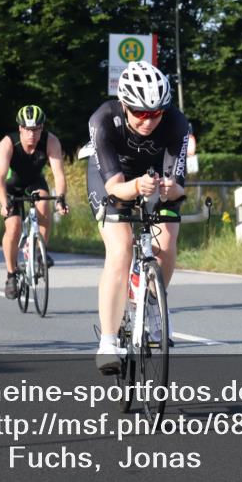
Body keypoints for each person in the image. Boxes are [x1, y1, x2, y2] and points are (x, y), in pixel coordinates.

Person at [85, 61, 189, 373]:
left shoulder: (176, 122)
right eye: (140, 112)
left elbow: (179, 186)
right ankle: (108, 340)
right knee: (120, 248)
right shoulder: (103, 119)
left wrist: (170, 189)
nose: (148, 120)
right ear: (125, 105)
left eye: (155, 113)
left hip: (154, 177)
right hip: (113, 178)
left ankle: (155, 304)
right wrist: (135, 187)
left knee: (167, 242)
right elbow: (115, 187)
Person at [0, 105, 69, 300]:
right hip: (11, 187)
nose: (32, 134)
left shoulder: (50, 141)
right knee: (14, 227)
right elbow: (0, 178)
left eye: (36, 129)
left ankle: (39, 254)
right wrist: (4, 203)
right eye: (27, 129)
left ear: (42, 128)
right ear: (20, 128)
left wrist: (61, 198)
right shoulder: (8, 143)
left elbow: (59, 174)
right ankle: (11, 274)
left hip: (34, 182)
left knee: (44, 203)